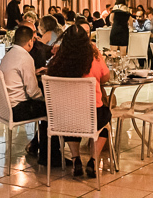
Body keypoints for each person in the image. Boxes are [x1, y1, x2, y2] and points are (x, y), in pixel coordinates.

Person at [46, 25, 110, 179]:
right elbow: (106, 78)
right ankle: (93, 162)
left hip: (64, 118)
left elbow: (49, 73)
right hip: (92, 116)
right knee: (106, 119)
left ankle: (76, 158)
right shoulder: (94, 57)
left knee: (72, 119)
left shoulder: (58, 61)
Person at [0, 25, 57, 163]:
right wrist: (47, 97)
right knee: (53, 109)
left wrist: (33, 73)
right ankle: (49, 156)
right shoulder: (25, 57)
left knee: (47, 106)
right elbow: (33, 92)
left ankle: (36, 145)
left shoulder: (9, 54)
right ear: (30, 41)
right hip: (18, 109)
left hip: (6, 108)